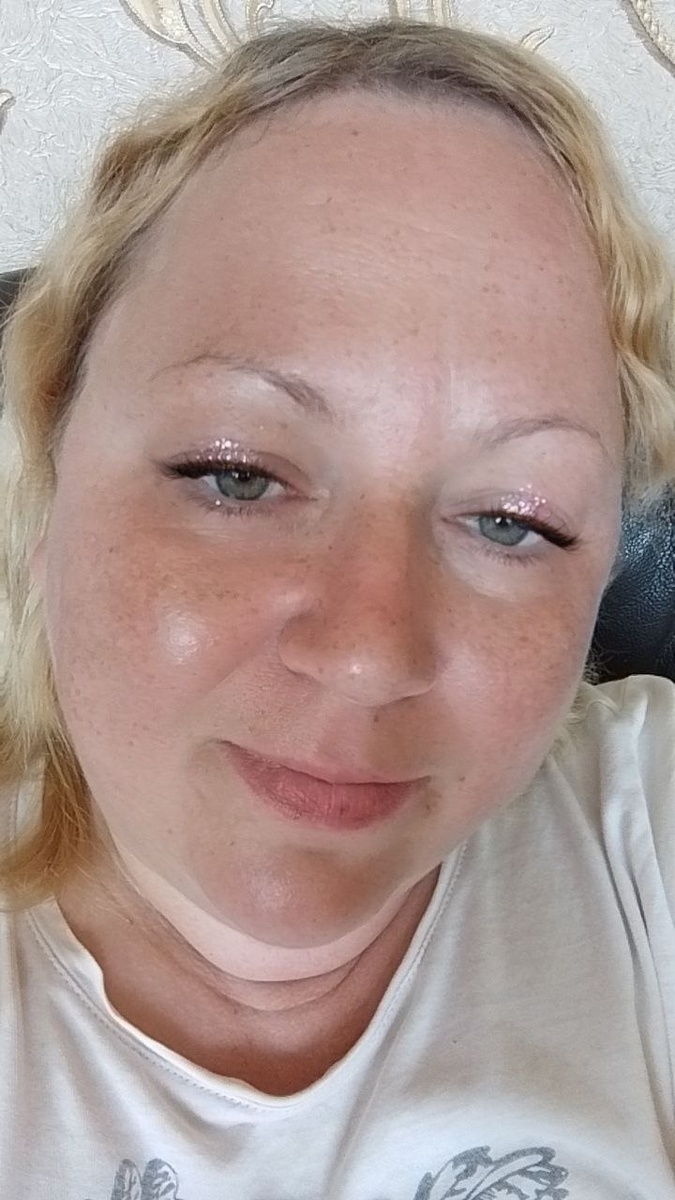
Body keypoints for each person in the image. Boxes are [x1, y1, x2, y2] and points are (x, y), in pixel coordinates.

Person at [1, 16, 674, 1198]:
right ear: (54, 472)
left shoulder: (642, 840)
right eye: (235, 475)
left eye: (512, 521)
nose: (370, 651)